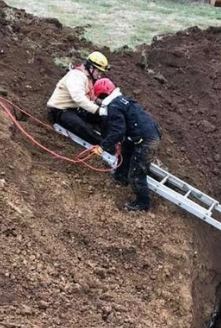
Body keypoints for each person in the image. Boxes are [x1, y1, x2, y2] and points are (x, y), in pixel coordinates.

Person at [92, 79, 162, 212]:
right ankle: (120, 177)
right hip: (146, 133)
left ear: (102, 95)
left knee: (136, 173)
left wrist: (103, 146)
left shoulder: (114, 106)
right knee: (126, 149)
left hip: (147, 140)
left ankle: (143, 203)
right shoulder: (121, 100)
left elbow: (118, 131)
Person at [46, 51, 109, 145]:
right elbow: (79, 98)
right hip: (59, 111)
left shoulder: (86, 77)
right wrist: (98, 110)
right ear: (91, 68)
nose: (100, 75)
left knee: (103, 117)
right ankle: (105, 146)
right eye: (99, 71)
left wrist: (105, 105)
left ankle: (110, 138)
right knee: (83, 128)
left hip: (74, 109)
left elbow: (91, 97)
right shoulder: (76, 76)